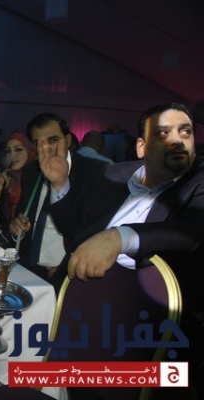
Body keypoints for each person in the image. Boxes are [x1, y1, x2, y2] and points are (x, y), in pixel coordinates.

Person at [45, 103, 204, 395]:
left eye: (185, 132)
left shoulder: (199, 183)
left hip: (147, 326)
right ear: (141, 147)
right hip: (78, 299)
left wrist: (120, 237)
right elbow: (76, 229)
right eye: (163, 133)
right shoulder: (113, 174)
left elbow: (191, 234)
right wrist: (60, 184)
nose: (178, 140)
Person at [9, 112, 107, 281]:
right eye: (38, 143)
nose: (46, 148)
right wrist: (16, 229)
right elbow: (21, 214)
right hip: (26, 266)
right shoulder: (31, 172)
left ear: (67, 140)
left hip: (67, 274)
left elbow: (95, 230)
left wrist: (66, 267)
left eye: (53, 140)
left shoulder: (94, 172)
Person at [0, 132, 35, 245]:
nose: (12, 155)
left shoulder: (37, 183)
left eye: (18, 149)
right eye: (8, 151)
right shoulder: (6, 180)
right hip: (2, 246)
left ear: (30, 151)